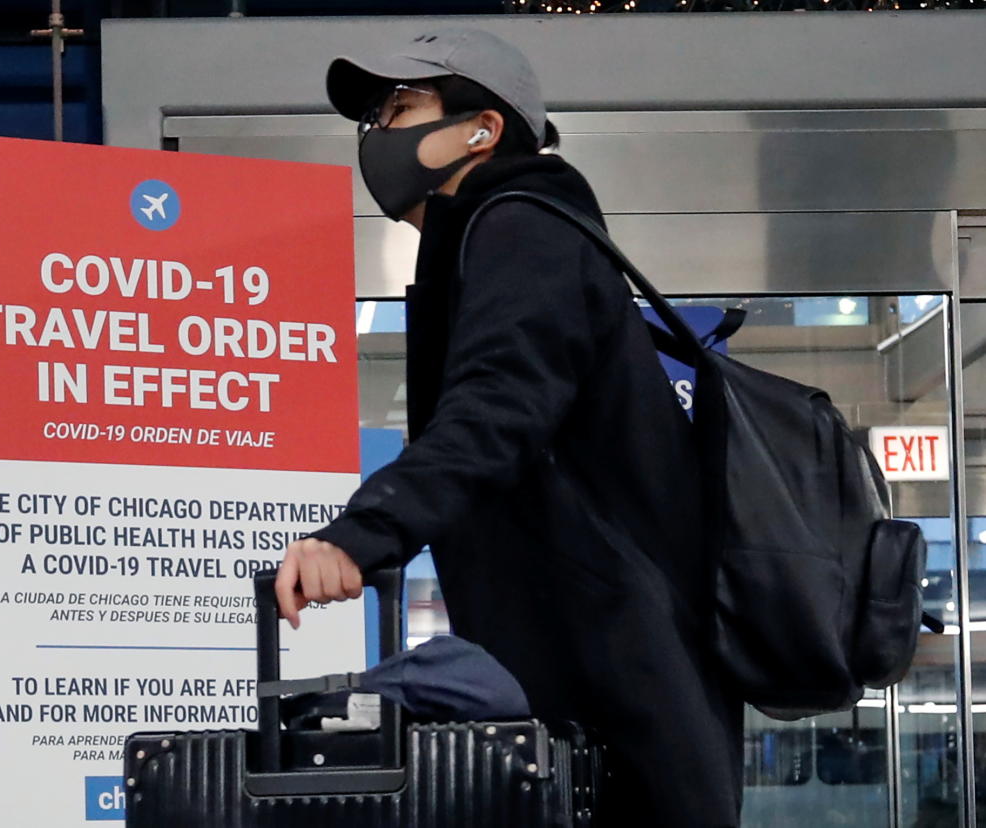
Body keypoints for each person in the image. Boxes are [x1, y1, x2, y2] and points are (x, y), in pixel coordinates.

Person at [273, 27, 744, 826]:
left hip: (620, 682)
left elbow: (497, 411)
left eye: (399, 106)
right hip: (594, 677)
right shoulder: (488, 242)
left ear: (480, 129)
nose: (376, 133)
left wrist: (360, 535)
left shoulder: (524, 228)